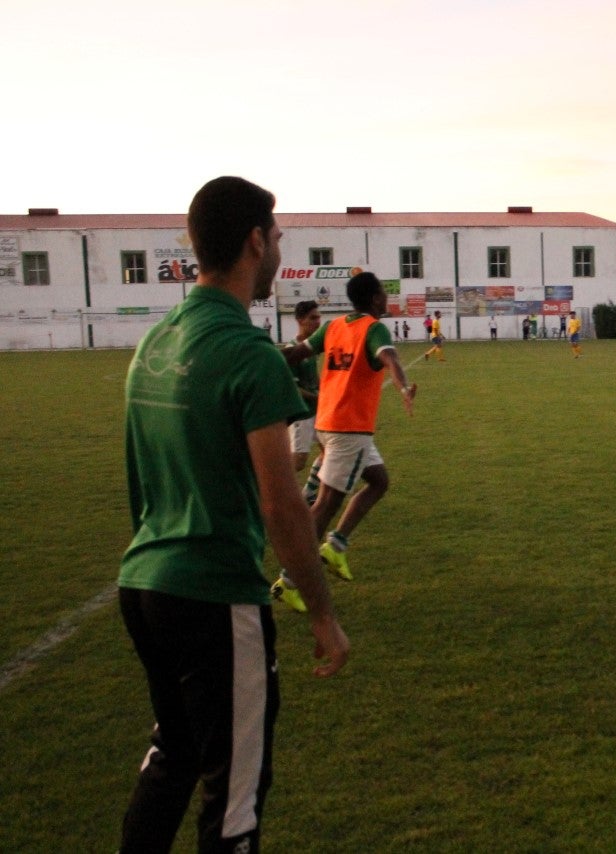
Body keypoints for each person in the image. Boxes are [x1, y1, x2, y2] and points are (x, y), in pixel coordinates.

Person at [117, 176, 349, 853]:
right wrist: (323, 613)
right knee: (234, 801)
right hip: (214, 596)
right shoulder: (250, 355)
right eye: (277, 238)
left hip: (144, 585)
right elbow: (282, 505)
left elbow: (139, 474)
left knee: (175, 756)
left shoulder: (155, 343)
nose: (278, 250)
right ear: (254, 242)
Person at [273, 272, 417, 610]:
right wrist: (403, 387)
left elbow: (295, 353)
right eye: (383, 293)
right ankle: (288, 581)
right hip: (348, 428)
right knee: (325, 505)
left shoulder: (333, 326)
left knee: (379, 481)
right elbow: (390, 358)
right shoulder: (373, 328)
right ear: (375, 298)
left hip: (329, 422)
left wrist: (263, 357)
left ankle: (336, 546)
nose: (386, 298)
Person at [288, 300, 322, 475]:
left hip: (317, 412)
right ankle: (271, 486)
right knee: (298, 462)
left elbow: (314, 377)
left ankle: (309, 490)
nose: (318, 322)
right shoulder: (292, 350)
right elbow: (292, 389)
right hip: (301, 414)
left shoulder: (310, 347)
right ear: (300, 320)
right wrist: (318, 397)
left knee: (330, 452)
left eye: (318, 317)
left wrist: (325, 391)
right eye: (313, 318)